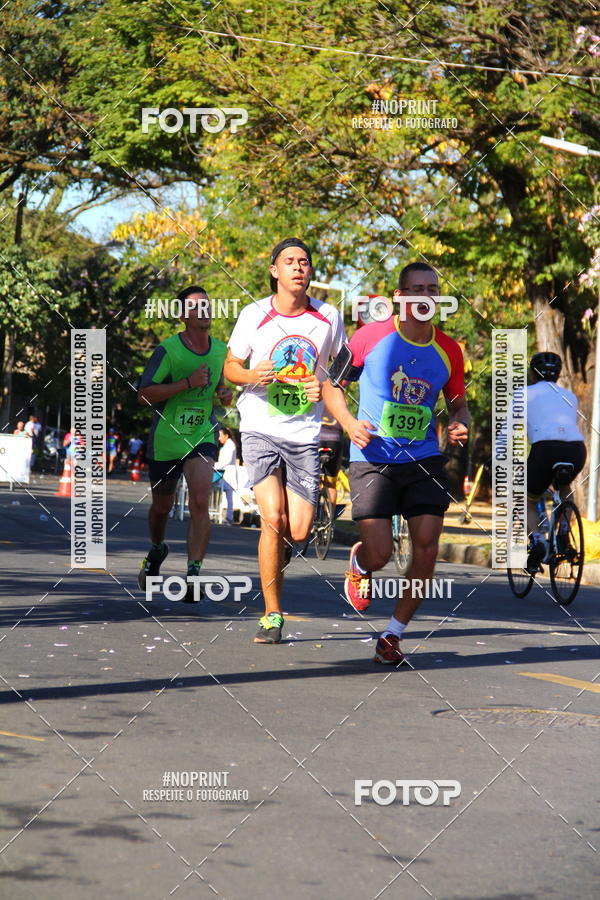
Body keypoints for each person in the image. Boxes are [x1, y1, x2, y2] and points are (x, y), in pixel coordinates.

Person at [323, 262, 469, 665]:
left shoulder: (449, 349)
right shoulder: (369, 336)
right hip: (373, 457)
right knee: (381, 554)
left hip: (423, 457)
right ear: (401, 297)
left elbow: (459, 404)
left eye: (432, 288)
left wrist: (459, 423)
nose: (425, 295)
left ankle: (393, 634)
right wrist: (350, 423)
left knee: (426, 547)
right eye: (416, 288)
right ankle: (359, 562)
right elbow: (331, 384)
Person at [224, 238, 347, 644]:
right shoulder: (253, 313)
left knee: (298, 530)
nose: (298, 267)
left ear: (310, 272)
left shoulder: (328, 317)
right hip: (259, 425)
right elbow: (230, 367)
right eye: (289, 261)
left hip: (303, 433)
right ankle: (272, 614)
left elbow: (339, 370)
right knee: (272, 519)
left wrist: (322, 384)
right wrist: (251, 375)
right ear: (274, 271)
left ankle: (281, 553)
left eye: (305, 262)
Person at [137, 285, 232, 600]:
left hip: (201, 435)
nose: (202, 310)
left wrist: (223, 393)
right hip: (166, 439)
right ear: (182, 315)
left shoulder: (221, 350)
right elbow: (144, 393)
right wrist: (186, 384)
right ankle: (156, 549)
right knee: (161, 507)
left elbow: (219, 384)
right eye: (195, 306)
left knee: (201, 501)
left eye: (206, 305)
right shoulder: (168, 350)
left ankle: (193, 576)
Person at [525, 351, 586, 571]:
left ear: (533, 374)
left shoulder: (524, 394)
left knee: (526, 498)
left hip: (544, 449)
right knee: (564, 485)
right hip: (576, 450)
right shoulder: (570, 396)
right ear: (558, 374)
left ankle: (538, 542)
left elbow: (507, 433)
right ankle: (562, 533)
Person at [319, 401, 344, 511]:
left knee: (311, 481)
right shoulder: (337, 391)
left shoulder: (313, 389)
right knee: (331, 485)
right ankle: (330, 520)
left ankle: (311, 517)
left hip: (317, 438)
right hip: (335, 439)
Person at [214, 426, 238, 524]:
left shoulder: (231, 445)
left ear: (226, 436)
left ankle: (229, 517)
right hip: (223, 472)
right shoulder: (226, 445)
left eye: (220, 436)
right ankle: (220, 515)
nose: (219, 438)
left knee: (229, 497)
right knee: (220, 494)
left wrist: (214, 465)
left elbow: (226, 461)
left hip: (228, 473)